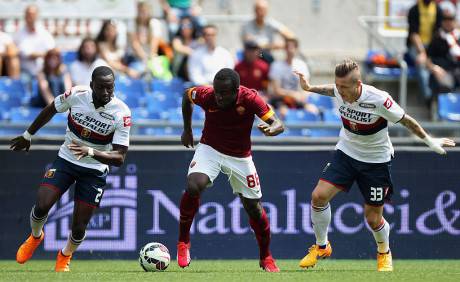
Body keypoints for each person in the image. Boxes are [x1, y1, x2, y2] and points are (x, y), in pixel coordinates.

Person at [294, 59, 455, 271]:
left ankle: (384, 251)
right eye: (337, 86)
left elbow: (407, 121)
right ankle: (322, 246)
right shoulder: (339, 89)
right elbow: (329, 90)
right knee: (318, 196)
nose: (339, 91)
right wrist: (309, 88)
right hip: (346, 153)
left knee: (372, 218)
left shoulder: (379, 99)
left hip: (376, 161)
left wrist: (430, 141)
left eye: (343, 87)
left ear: (358, 84)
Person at [11, 66, 131, 272]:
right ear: (92, 85)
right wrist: (27, 135)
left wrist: (90, 152)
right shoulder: (76, 95)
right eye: (101, 88)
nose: (105, 93)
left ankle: (65, 255)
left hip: (94, 170)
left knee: (79, 227)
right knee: (41, 206)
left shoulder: (122, 113)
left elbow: (119, 158)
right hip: (66, 161)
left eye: (110, 89)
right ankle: (35, 236)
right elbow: (51, 109)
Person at [177, 68, 284, 272]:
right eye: (217, 91)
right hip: (210, 148)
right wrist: (187, 129)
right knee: (193, 185)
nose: (218, 96)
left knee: (254, 207)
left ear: (236, 90)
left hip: (240, 157)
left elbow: (278, 123)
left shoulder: (251, 99)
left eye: (224, 93)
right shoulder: (207, 95)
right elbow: (186, 96)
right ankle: (183, 242)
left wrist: (274, 129)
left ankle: (266, 256)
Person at [426, 1, 460, 117]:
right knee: (443, 83)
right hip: (440, 72)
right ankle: (437, 115)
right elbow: (428, 60)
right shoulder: (437, 37)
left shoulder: (457, 38)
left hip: (456, 72)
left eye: (451, 19)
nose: (448, 22)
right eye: (445, 19)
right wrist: (435, 69)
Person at [269, 38, 318, 116]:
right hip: (281, 100)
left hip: (297, 99)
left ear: (296, 49)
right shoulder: (276, 66)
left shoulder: (301, 65)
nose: (290, 50)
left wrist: (303, 96)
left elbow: (306, 87)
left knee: (313, 111)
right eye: (287, 47)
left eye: (292, 47)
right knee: (283, 113)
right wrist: (293, 94)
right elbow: (276, 90)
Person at [407, 0, 443, 104]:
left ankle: (440, 97)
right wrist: (422, 52)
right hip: (416, 46)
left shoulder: (438, 9)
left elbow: (437, 32)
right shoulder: (414, 10)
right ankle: (429, 98)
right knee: (422, 66)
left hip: (432, 47)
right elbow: (413, 34)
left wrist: (430, 52)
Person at [241, 0, 295, 64]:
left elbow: (290, 35)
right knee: (263, 54)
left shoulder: (270, 23)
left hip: (266, 56)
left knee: (269, 58)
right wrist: (272, 46)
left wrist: (284, 45)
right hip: (253, 55)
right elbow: (252, 44)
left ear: (267, 11)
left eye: (263, 10)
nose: (261, 12)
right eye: (259, 9)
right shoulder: (247, 26)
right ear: (255, 10)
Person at [14, 4, 56, 78]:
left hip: (44, 69)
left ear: (37, 16)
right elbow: (27, 54)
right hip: (26, 70)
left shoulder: (44, 32)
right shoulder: (19, 34)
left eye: (33, 14)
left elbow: (53, 51)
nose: (31, 17)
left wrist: (45, 54)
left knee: (58, 77)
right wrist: (44, 54)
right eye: (28, 14)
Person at [171, 16, 201, 81]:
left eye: (188, 25)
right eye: (183, 25)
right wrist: (193, 53)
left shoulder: (198, 40)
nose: (185, 28)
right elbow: (178, 47)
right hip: (179, 73)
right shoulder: (177, 40)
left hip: (195, 71)